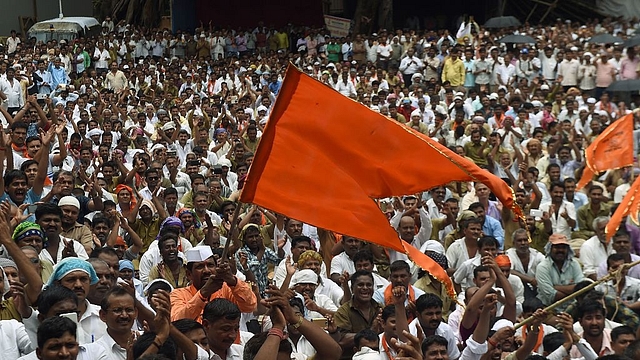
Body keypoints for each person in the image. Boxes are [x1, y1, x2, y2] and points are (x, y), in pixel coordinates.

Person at [170, 245, 256, 322]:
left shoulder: (228, 288)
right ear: (189, 274)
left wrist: (233, 281)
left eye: (210, 265)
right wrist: (203, 293)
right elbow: (177, 321)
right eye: (200, 267)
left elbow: (250, 306)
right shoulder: (178, 294)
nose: (207, 270)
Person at [536, 233, 583, 308]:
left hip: (573, 307)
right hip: (549, 309)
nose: (560, 250)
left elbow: (582, 289)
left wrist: (556, 287)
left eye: (563, 247)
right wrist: (573, 290)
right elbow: (552, 296)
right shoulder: (542, 267)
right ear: (550, 248)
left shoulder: (574, 264)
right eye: (557, 247)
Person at [408, 293, 460, 360]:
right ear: (418, 315)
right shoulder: (410, 332)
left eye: (438, 313)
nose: (435, 318)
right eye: (430, 314)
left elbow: (453, 358)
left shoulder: (446, 329)